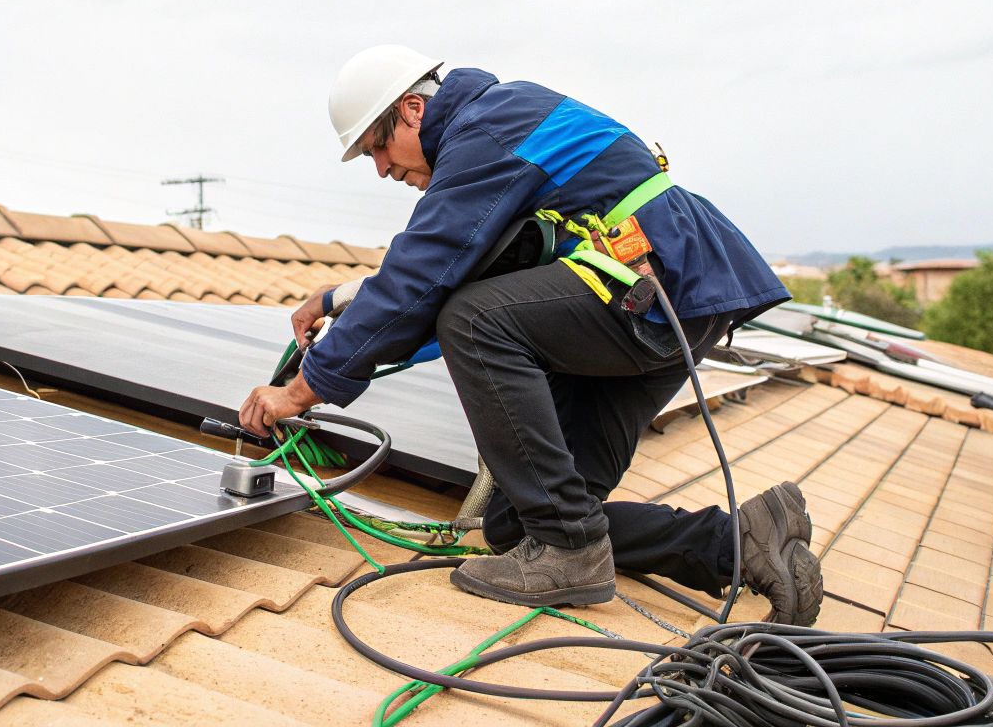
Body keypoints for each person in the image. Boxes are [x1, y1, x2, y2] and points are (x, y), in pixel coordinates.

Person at [239, 46, 822, 621]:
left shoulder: (486, 130)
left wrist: (300, 391)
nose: (383, 169)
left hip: (653, 289)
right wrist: (340, 301)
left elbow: (425, 280)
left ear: (414, 110)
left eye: (379, 147)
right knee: (518, 525)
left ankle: (570, 551)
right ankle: (742, 542)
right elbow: (454, 283)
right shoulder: (498, 132)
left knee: (473, 321)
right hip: (665, 301)